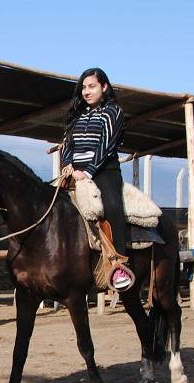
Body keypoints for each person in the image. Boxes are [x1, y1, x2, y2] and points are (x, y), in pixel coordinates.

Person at [61, 67, 132, 290]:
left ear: (104, 87)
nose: (86, 91)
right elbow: (67, 144)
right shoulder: (77, 115)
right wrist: (67, 165)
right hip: (74, 171)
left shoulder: (113, 112)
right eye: (83, 87)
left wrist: (88, 172)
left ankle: (118, 264)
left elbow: (106, 145)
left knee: (111, 206)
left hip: (104, 171)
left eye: (91, 86)